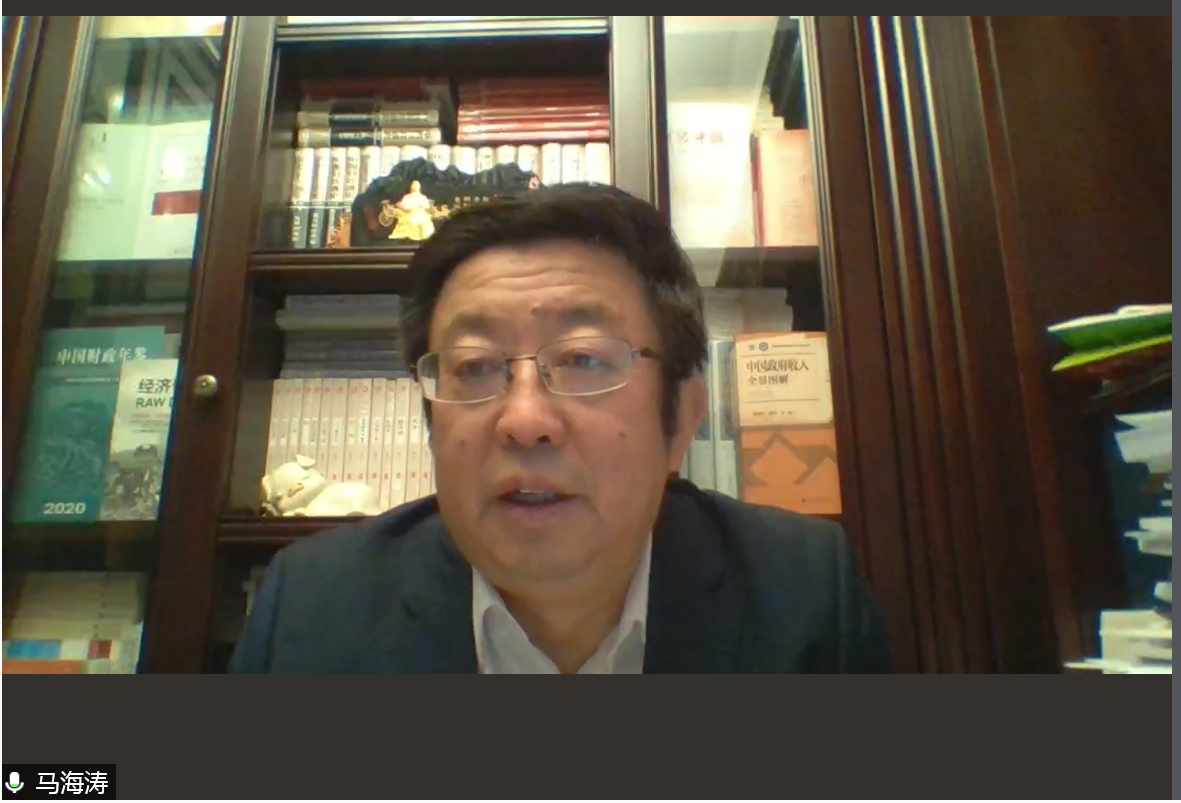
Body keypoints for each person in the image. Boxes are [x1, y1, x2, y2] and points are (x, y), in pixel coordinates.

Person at [230, 183, 892, 674]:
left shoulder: (804, 595)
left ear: (682, 420)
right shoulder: (310, 611)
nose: (524, 421)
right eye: (474, 367)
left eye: (583, 360)